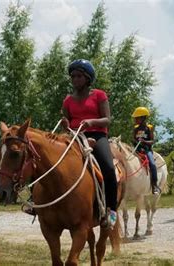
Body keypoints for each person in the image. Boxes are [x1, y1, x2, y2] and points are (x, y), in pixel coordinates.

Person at [61, 59, 118, 228]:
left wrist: (91, 122)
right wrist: (65, 123)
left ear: (87, 78)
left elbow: (107, 120)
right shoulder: (68, 101)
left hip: (97, 136)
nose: (75, 79)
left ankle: (112, 211)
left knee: (108, 168)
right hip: (74, 137)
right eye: (73, 76)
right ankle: (37, 204)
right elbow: (67, 120)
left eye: (79, 76)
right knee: (50, 161)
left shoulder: (99, 95)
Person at [132, 106, 160, 194]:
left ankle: (154, 185)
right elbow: (133, 139)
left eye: (137, 118)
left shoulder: (149, 128)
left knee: (152, 164)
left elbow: (152, 141)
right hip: (136, 150)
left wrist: (144, 141)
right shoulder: (135, 128)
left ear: (143, 118)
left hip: (147, 150)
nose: (135, 119)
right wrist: (134, 141)